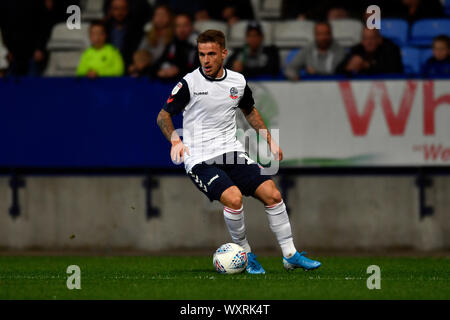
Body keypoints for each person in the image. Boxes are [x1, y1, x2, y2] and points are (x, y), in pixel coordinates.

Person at [156, 30, 321, 274]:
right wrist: (175, 141)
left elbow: (249, 111)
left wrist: (269, 141)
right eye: (201, 54)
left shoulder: (238, 82)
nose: (206, 60)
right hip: (200, 159)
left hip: (231, 152)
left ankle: (290, 255)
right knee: (234, 198)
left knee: (273, 194)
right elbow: (163, 116)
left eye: (211, 53)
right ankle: (246, 253)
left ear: (224, 53)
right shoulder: (189, 83)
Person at [152, 13, 199, 81]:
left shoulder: (199, 46)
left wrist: (178, 72)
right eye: (178, 26)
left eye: (185, 25)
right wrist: (158, 71)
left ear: (192, 27)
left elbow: (198, 72)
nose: (181, 29)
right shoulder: (172, 43)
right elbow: (161, 61)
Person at [336, 28, 403, 76]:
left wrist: (367, 66)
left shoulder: (391, 50)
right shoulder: (356, 50)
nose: (368, 42)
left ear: (379, 40)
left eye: (372, 38)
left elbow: (394, 70)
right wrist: (347, 68)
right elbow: (337, 70)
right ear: (362, 41)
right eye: (365, 38)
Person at [104, 0, 144, 67]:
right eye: (116, 9)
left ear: (128, 9)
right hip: (107, 67)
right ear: (110, 10)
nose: (120, 12)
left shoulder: (136, 30)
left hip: (129, 68)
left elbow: (138, 52)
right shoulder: (104, 28)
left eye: (123, 8)